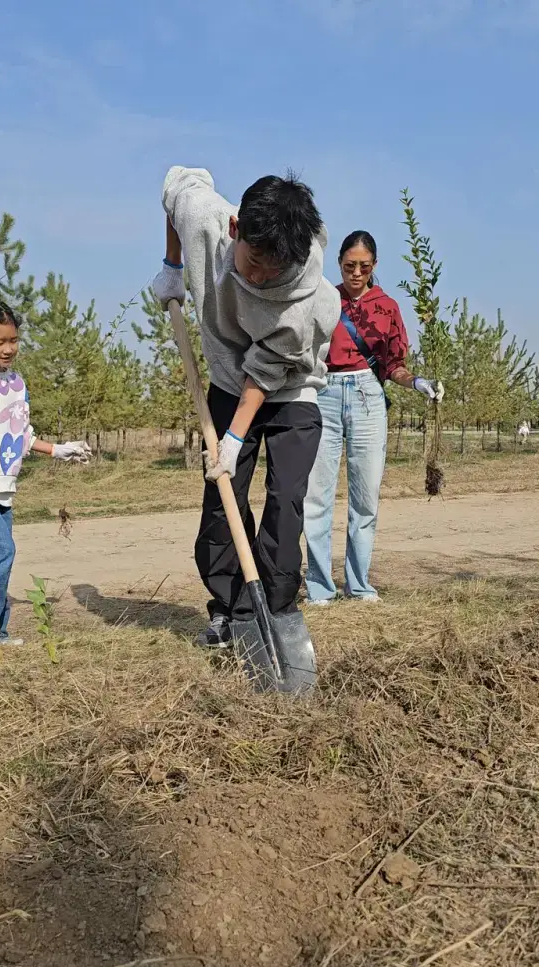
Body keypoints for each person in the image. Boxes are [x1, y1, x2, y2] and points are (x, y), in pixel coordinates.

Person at [152, 167, 340, 647]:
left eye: (272, 270)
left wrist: (235, 437)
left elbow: (268, 368)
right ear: (236, 229)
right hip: (227, 384)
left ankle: (274, 611)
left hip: (292, 391)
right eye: (253, 260)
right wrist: (173, 266)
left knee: (284, 503)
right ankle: (230, 611)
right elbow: (176, 189)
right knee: (222, 498)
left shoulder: (308, 301)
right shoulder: (205, 217)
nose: (258, 276)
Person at [303, 230, 444, 605]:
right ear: (339, 265)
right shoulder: (324, 300)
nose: (356, 273)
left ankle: (359, 584)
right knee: (316, 497)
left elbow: (394, 365)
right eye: (350, 266)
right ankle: (319, 588)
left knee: (365, 498)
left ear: (374, 266)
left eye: (364, 266)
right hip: (324, 394)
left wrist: (417, 382)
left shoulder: (388, 307)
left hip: (368, 396)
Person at [0, 300, 92, 645]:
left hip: (3, 484)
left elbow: (21, 433)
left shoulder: (16, 383)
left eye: (13, 340)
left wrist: (57, 449)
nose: (9, 349)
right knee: (2, 552)